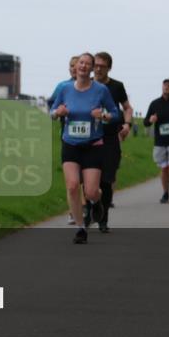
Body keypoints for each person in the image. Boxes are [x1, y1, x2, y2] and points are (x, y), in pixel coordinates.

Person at [50, 52, 120, 243]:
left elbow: (115, 113)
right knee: (72, 186)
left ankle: (96, 202)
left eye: (88, 64)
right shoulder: (64, 88)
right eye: (81, 62)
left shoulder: (100, 90)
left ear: (91, 69)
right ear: (76, 66)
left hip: (93, 145)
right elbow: (52, 112)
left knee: (90, 191)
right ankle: (81, 228)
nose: (83, 66)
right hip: (70, 144)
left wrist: (103, 115)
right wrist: (58, 112)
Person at [92, 51, 133, 232]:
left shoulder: (117, 86)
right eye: (96, 65)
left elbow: (127, 107)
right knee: (90, 179)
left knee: (107, 180)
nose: (98, 68)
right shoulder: (86, 84)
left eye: (102, 66)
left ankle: (103, 218)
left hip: (110, 137)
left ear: (109, 68)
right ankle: (91, 208)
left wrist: (127, 125)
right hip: (89, 137)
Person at [50, 56, 83, 225]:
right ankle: (73, 211)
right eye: (70, 66)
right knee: (72, 181)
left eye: (75, 66)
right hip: (68, 136)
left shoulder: (92, 88)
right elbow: (52, 106)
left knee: (86, 180)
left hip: (90, 140)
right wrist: (58, 112)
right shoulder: (63, 87)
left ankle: (89, 203)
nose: (72, 69)